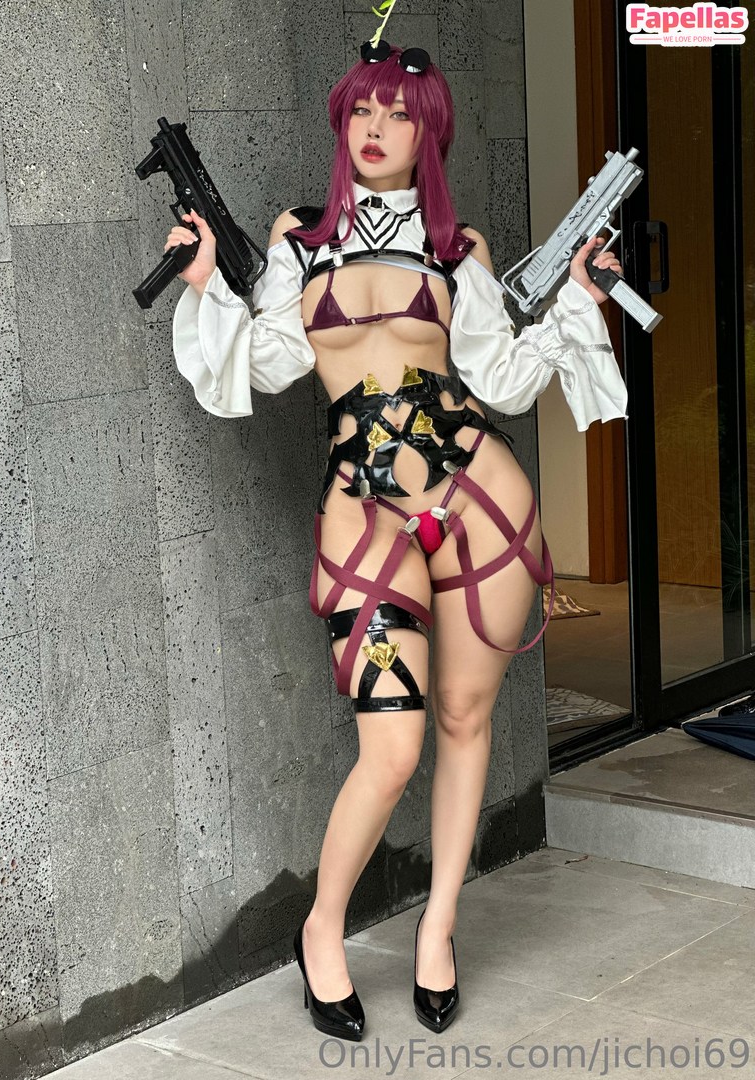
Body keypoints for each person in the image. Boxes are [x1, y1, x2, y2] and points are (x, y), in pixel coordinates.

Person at [167, 41, 627, 1042]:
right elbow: (267, 365)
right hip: (363, 509)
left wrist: (578, 306)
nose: (377, 129)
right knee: (392, 745)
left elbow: (500, 381)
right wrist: (207, 283)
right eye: (363, 112)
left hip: (479, 496)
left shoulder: (459, 248)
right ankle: (321, 930)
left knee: (464, 717)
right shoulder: (301, 240)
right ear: (344, 123)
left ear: (430, 133)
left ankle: (439, 927)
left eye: (401, 114)